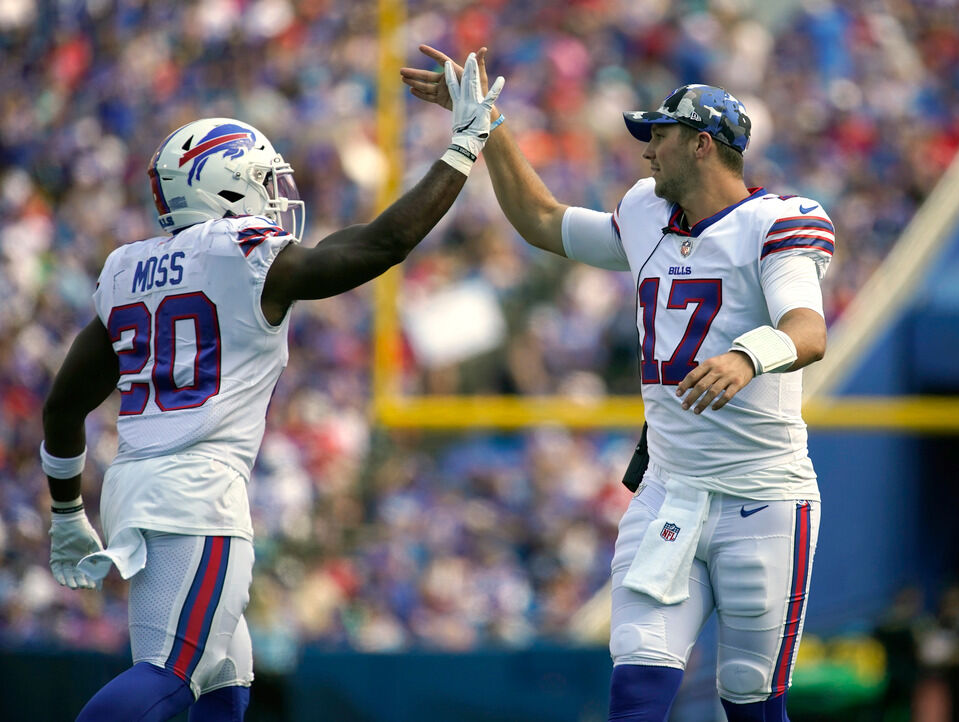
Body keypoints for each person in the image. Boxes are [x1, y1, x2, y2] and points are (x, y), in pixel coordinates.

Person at [41, 54, 503, 722]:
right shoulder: (243, 253)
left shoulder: (124, 268)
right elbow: (383, 244)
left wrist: (63, 515)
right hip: (198, 492)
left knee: (227, 680)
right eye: (262, 180)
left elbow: (63, 405)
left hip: (136, 485)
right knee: (172, 675)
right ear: (224, 186)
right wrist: (463, 147)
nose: (276, 194)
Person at [403, 47, 832, 721]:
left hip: (763, 497)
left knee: (750, 701)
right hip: (669, 491)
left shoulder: (772, 222)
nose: (645, 152)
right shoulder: (644, 214)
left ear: (701, 145)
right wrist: (488, 126)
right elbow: (543, 221)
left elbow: (808, 331)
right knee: (635, 695)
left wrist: (746, 357)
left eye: (658, 136)